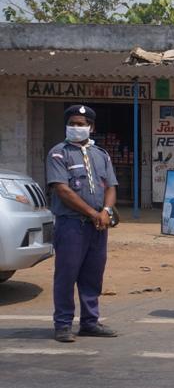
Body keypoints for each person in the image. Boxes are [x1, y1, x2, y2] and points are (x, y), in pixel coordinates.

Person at [46, 104, 119, 342]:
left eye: (82, 124)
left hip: (98, 226)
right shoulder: (59, 153)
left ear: (91, 127)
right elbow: (62, 190)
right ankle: (63, 324)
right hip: (71, 225)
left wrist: (106, 211)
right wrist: (92, 212)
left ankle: (90, 322)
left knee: (92, 274)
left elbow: (110, 186)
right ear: (66, 126)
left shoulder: (102, 155)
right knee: (67, 274)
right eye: (73, 124)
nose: (77, 128)